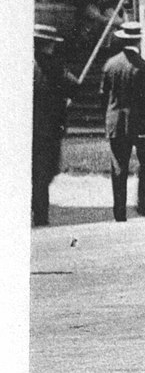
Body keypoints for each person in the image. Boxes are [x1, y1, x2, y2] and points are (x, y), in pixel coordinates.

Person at [100, 19, 145, 221]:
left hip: (115, 122)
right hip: (140, 123)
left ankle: (119, 212)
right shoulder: (143, 66)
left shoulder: (110, 65)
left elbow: (103, 96)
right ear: (139, 40)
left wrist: (108, 118)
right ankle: (142, 204)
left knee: (119, 166)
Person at [33, 26, 70, 227]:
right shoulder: (55, 66)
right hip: (49, 129)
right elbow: (73, 86)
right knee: (43, 173)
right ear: (51, 44)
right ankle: (39, 214)